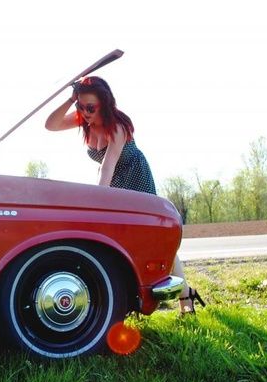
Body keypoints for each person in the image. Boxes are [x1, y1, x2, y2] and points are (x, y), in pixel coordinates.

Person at [44, 76, 205, 316]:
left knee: (156, 239)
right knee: (124, 240)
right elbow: (51, 125)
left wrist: (97, 201)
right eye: (81, 106)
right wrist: (70, 99)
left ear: (104, 104)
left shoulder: (116, 127)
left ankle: (185, 297)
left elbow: (106, 167)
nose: (85, 112)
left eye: (91, 107)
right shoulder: (82, 119)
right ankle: (133, 300)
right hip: (116, 184)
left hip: (135, 178)